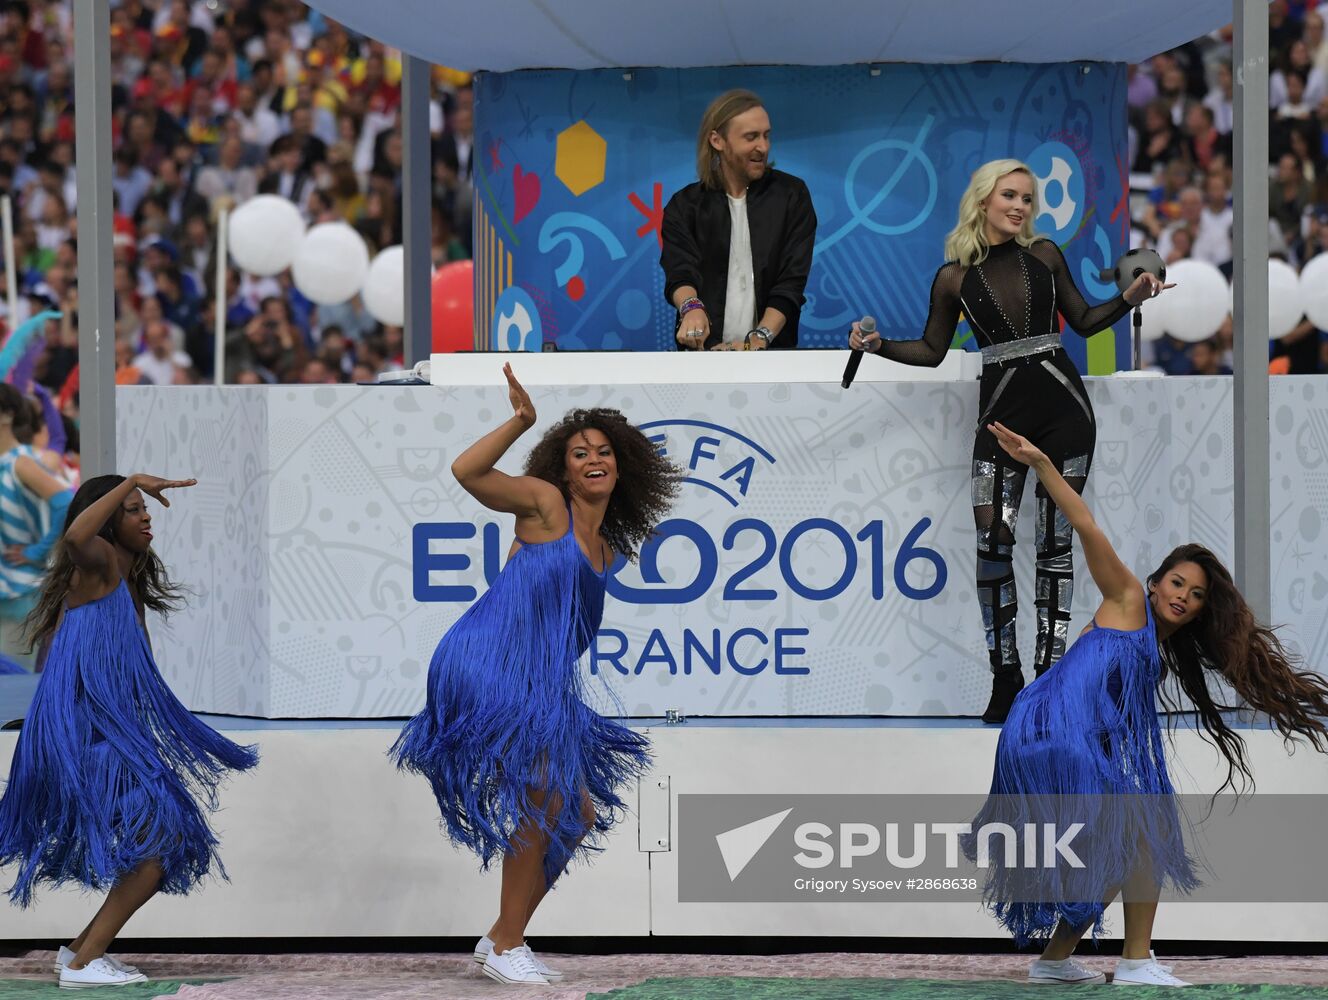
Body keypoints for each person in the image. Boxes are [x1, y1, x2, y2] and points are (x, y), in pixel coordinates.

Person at [965, 422, 1328, 987]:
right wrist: (1041, 466)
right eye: (1177, 583)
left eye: (1197, 593)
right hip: (1047, 731)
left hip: (1054, 737)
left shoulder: (1156, 649)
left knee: (1126, 841)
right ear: (1155, 584)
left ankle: (1055, 962)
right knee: (1144, 822)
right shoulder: (1128, 599)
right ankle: (1135, 962)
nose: (1183, 596)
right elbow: (1084, 525)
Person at [848, 159, 1167, 722]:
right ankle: (1006, 678)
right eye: (1010, 196)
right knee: (992, 546)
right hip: (1000, 418)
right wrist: (875, 347)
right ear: (983, 201)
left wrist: (1131, 296)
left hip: (1065, 412)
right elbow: (931, 350)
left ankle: (1049, 681)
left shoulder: (1045, 255)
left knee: (1056, 546)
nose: (1020, 207)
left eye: (1027, 199)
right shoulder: (953, 277)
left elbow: (1087, 321)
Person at [391, 364, 678, 986]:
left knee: (574, 813)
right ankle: (507, 943)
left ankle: (501, 937)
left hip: (536, 682)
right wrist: (521, 421)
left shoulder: (609, 553)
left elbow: (568, 633)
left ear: (622, 466)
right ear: (563, 468)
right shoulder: (545, 506)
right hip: (485, 659)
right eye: (579, 453)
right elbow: (468, 473)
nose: (592, 459)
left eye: (604, 451)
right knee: (546, 787)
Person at [0, 474, 258, 989]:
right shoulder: (96, 564)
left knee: (161, 842)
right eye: (133, 508)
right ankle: (82, 964)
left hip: (96, 735)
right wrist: (131, 479)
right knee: (161, 844)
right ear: (107, 519)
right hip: (85, 738)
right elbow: (74, 538)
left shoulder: (121, 574)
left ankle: (79, 951)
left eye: (144, 507)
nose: (146, 516)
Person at [661, 89, 816, 351]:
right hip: (704, 357)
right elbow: (680, 271)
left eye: (766, 135)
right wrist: (691, 308)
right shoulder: (684, 205)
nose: (763, 147)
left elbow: (791, 283)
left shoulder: (792, 196)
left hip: (771, 355)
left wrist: (758, 339)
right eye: (751, 137)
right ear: (717, 141)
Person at [0, 383, 73, 669]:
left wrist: (37, 552)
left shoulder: (21, 464)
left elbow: (66, 504)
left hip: (21, 594)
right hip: (10, 592)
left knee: (14, 687)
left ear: (7, 415)